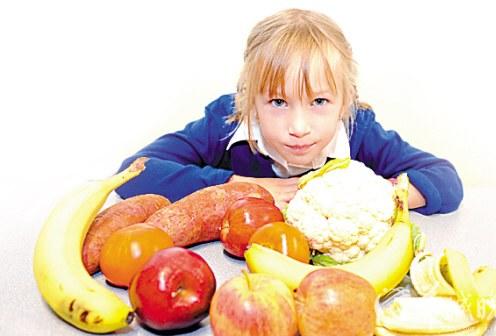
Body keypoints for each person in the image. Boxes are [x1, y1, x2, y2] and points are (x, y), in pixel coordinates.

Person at [115, 8, 463, 215]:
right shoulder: (226, 122)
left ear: (345, 101)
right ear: (251, 100)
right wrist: (240, 186)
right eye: (278, 102)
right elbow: (134, 173)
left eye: (319, 102)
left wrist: (376, 198)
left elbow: (446, 181)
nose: (299, 127)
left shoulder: (358, 130)